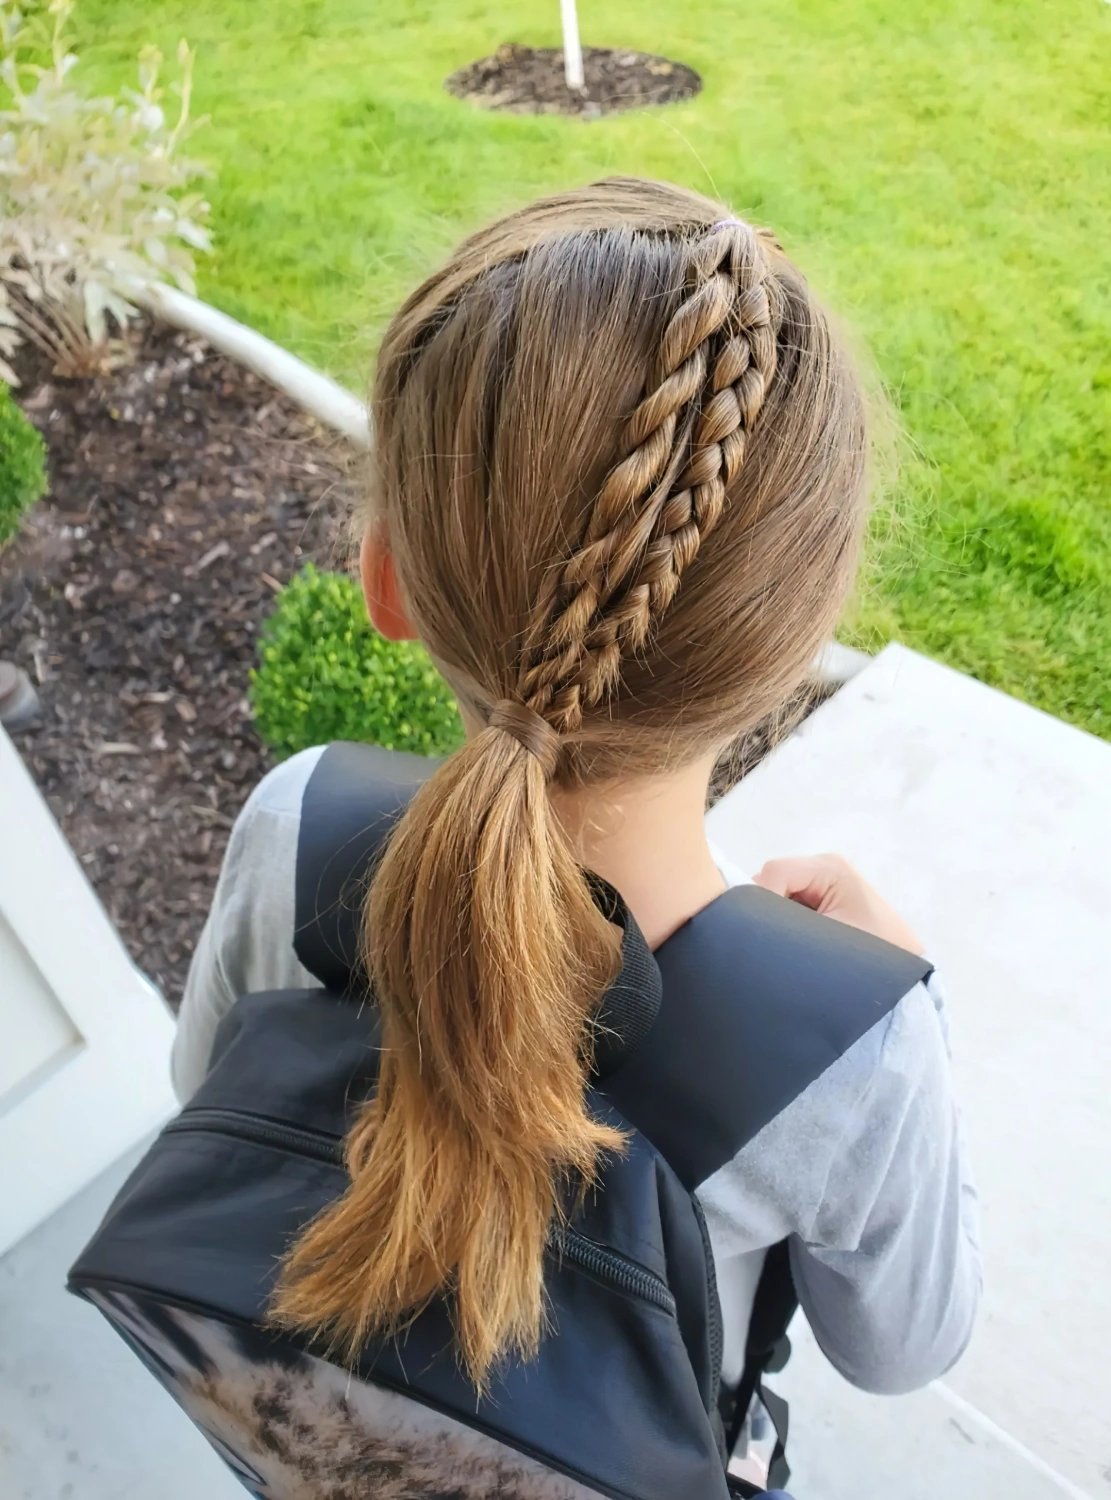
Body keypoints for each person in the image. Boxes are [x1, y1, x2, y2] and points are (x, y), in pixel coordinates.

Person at [173, 177, 981, 1488]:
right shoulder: (851, 1053)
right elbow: (901, 1347)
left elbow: (196, 1090)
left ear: (383, 578)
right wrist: (900, 1008)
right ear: (779, 659)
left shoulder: (296, 825)